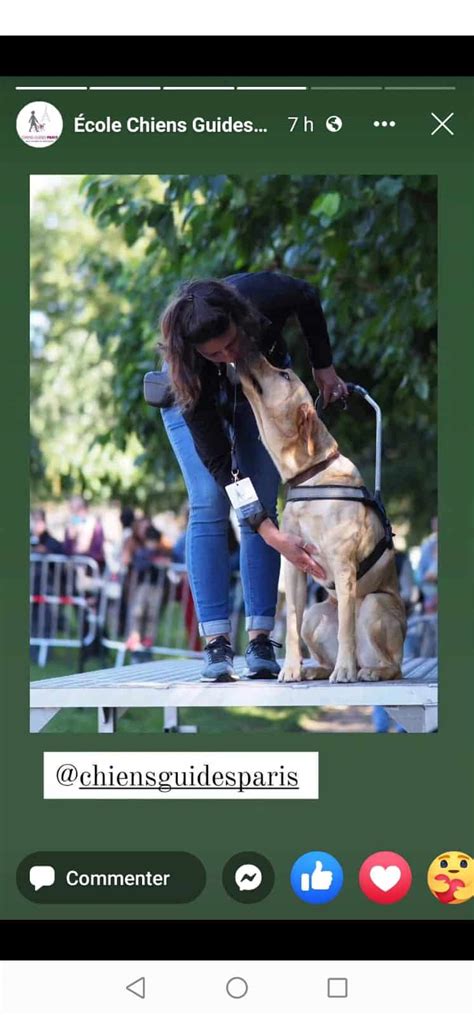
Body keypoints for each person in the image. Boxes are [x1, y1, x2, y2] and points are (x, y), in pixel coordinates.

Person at [159, 270, 347, 682]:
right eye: (215, 354)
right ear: (195, 351)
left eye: (231, 342)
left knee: (264, 498)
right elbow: (221, 465)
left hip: (253, 393)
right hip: (192, 404)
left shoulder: (262, 296)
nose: (226, 355)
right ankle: (216, 643)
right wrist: (267, 530)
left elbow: (307, 295)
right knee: (210, 500)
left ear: (239, 319)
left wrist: (323, 367)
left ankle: (261, 639)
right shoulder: (188, 371)